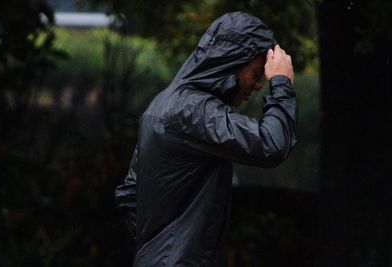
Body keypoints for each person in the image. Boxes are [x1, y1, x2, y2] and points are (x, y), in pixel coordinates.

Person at [115, 11, 297, 267]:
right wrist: (281, 84)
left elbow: (129, 195)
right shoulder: (192, 111)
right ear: (232, 62)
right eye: (256, 74)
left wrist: (157, 248)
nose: (258, 86)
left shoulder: (166, 104)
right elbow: (270, 145)